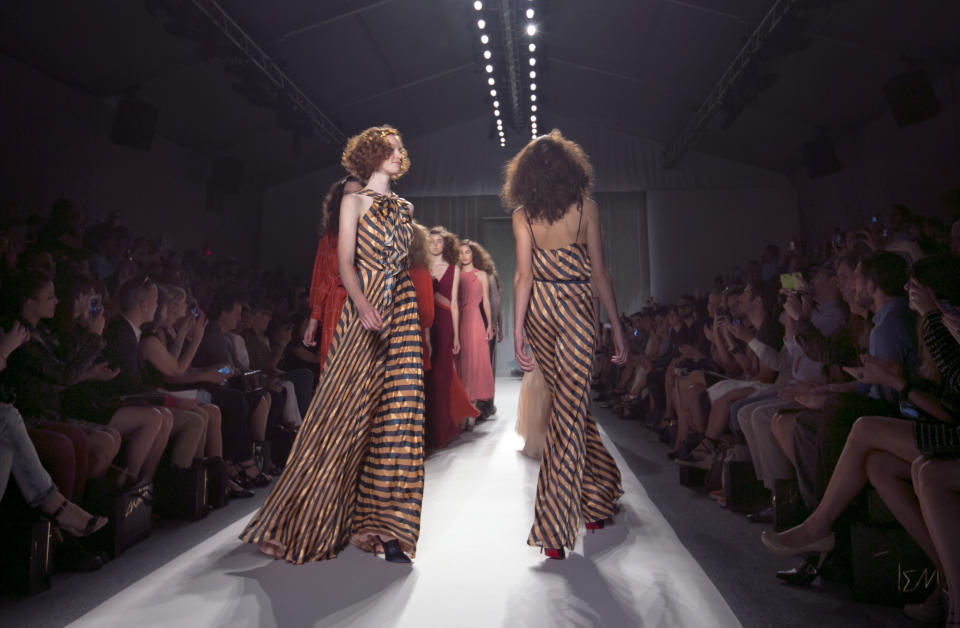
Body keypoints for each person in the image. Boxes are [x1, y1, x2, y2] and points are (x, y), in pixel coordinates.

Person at [240, 125, 425, 565]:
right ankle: (298, 519)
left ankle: (383, 526)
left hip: (401, 315)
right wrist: (360, 305)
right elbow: (344, 262)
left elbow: (403, 269)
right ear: (372, 155)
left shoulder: (406, 207)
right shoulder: (353, 202)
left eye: (401, 149)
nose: (400, 155)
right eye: (392, 150)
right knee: (340, 415)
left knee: (399, 421)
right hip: (363, 314)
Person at [506, 129, 627, 559]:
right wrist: (614, 324)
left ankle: (598, 492)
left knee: (567, 407)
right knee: (571, 408)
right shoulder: (586, 208)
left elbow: (524, 276)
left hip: (540, 309)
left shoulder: (523, 214)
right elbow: (601, 273)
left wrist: (518, 328)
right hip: (577, 307)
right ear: (570, 168)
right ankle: (560, 526)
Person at [304, 175, 363, 371]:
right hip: (335, 309)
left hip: (366, 306)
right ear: (340, 199)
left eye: (357, 194)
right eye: (347, 194)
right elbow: (322, 279)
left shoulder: (375, 235)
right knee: (334, 373)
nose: (352, 199)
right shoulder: (329, 239)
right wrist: (314, 320)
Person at [426, 227, 478, 445]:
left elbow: (455, 303)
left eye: (439, 241)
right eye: (432, 241)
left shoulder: (453, 268)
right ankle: (429, 429)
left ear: (445, 244)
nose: (435, 245)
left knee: (443, 374)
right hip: (427, 323)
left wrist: (456, 336)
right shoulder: (422, 266)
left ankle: (444, 428)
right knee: (428, 374)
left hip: (446, 322)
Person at [456, 239, 496, 414]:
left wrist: (490, 324)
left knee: (474, 361)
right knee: (462, 361)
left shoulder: (481, 275)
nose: (464, 256)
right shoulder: (456, 273)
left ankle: (471, 409)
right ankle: (465, 409)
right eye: (461, 252)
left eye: (467, 252)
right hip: (458, 319)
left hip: (474, 320)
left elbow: (486, 301)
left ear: (473, 254)